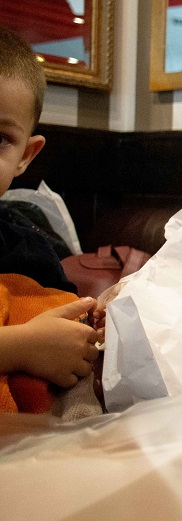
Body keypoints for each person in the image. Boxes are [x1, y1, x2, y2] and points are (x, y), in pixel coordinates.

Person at [0, 25, 102, 412]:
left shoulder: (30, 250)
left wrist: (93, 327)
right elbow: (37, 346)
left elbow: (68, 329)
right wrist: (20, 347)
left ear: (25, 155)